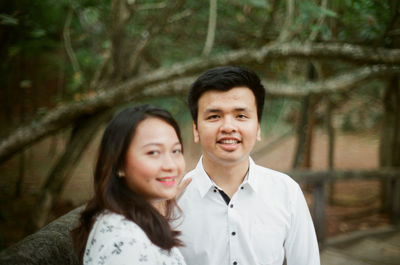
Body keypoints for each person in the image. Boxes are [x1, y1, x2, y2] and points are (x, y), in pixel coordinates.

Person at [176, 66, 320, 265]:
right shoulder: (172, 200)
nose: (228, 127)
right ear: (196, 129)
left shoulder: (286, 192)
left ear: (258, 127)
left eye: (241, 116)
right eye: (214, 116)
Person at [71, 105, 187, 265]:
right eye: (153, 152)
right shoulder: (126, 242)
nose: (171, 165)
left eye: (175, 151)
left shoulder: (135, 217)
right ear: (118, 164)